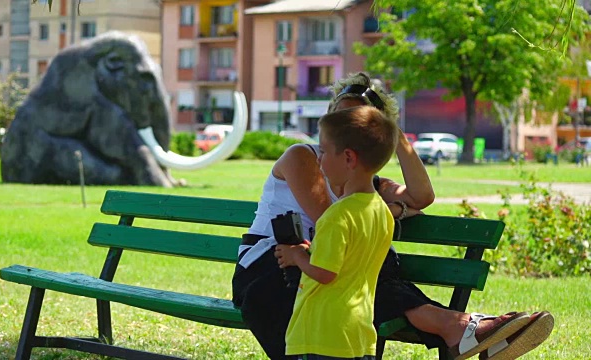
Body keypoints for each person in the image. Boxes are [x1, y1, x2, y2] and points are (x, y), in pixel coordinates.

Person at [231, 72, 553, 360]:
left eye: (358, 121)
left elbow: (422, 196)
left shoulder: (364, 180)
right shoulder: (303, 157)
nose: (345, 126)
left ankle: (460, 329)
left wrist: (394, 136)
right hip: (273, 264)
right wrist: (391, 210)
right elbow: (335, 221)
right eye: (340, 117)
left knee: (372, 266)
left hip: (328, 266)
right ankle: (460, 328)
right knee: (363, 263)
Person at [274, 105, 399, 359]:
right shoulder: (381, 211)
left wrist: (298, 256)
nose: (318, 159)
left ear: (349, 158)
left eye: (323, 151)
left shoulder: (337, 215)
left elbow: (325, 273)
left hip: (323, 334)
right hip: (359, 332)